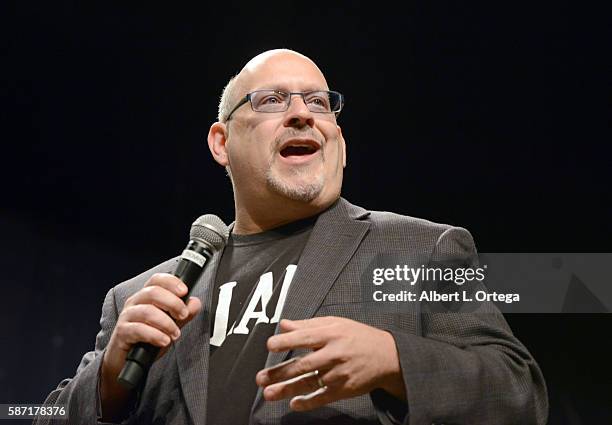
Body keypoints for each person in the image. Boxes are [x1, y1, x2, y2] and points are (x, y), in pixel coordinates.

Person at [36, 49, 548, 424]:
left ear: (339, 146)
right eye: (272, 100)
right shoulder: (142, 296)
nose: (302, 112)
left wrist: (394, 360)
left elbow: (519, 393)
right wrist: (110, 376)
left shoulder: (421, 250)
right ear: (221, 142)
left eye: (320, 103)